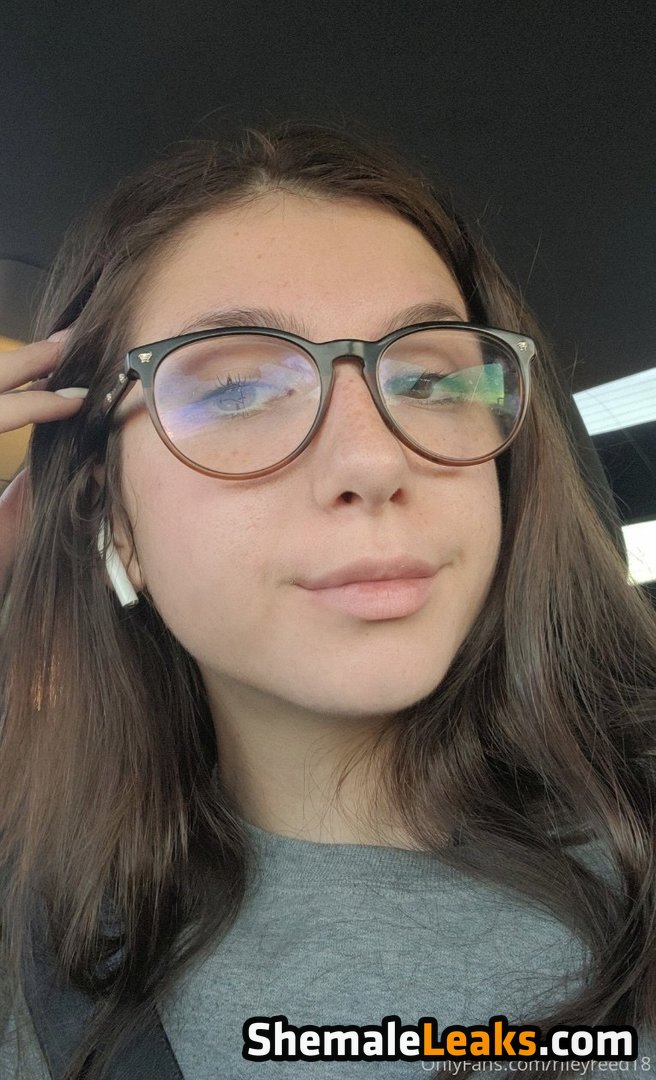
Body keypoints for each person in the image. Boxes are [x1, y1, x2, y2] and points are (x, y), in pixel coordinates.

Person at [0, 119, 655, 1080]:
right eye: (235, 393)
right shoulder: (36, 945)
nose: (374, 459)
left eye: (429, 380)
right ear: (114, 516)